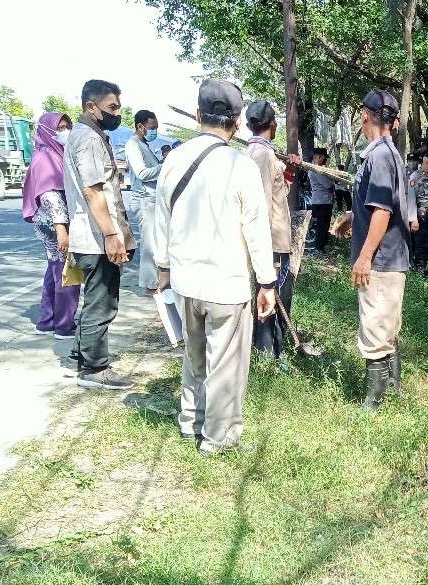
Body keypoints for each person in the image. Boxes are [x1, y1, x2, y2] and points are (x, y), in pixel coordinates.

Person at [154, 79, 278, 456]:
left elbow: (161, 219)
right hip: (227, 284)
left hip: (186, 281)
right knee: (224, 364)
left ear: (197, 114)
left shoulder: (173, 159)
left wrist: (163, 268)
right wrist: (267, 282)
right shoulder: (239, 166)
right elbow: (256, 229)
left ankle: (191, 420)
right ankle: (217, 437)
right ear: (238, 121)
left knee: (193, 358)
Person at [330, 88, 410, 410]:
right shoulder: (389, 154)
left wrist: (364, 256)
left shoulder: (377, 156)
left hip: (381, 259)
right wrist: (353, 215)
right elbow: (380, 204)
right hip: (391, 256)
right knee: (387, 324)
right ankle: (393, 388)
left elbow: (383, 212)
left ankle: (373, 404)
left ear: (365, 116)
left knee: (375, 325)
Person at [64, 79, 136, 389]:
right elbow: (94, 192)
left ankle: (84, 354)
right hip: (96, 237)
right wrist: (111, 234)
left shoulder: (87, 135)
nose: (117, 113)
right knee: (102, 302)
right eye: (112, 107)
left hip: (90, 234)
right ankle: (95, 370)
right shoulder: (88, 139)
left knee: (93, 299)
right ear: (90, 106)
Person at [244, 100, 303, 360]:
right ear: (273, 125)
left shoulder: (264, 153)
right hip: (271, 244)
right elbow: (261, 206)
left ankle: (274, 351)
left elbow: (279, 192)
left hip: (275, 241)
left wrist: (288, 170)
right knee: (273, 298)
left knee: (279, 297)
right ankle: (268, 355)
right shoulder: (261, 155)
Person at [23, 111, 80, 340]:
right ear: (46, 130)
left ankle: (46, 321)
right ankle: (64, 325)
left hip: (52, 222)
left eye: (67, 126)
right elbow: (50, 196)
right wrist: (61, 230)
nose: (64, 131)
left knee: (55, 270)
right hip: (55, 223)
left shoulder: (53, 154)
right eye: (60, 127)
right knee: (68, 272)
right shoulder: (46, 157)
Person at [125, 109, 164, 294]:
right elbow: (142, 173)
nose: (154, 131)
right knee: (149, 243)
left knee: (155, 241)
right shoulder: (133, 145)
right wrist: (164, 166)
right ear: (140, 126)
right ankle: (150, 284)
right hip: (143, 199)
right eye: (152, 128)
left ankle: (155, 280)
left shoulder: (143, 145)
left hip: (151, 199)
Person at [409, 152, 428, 271]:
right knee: (419, 241)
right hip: (419, 214)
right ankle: (419, 266)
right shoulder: (415, 176)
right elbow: (411, 198)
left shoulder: (427, 176)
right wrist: (413, 219)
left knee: (426, 240)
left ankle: (422, 265)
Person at [306, 147, 335, 254]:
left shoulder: (318, 169)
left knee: (323, 225)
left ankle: (321, 246)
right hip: (322, 201)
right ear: (317, 156)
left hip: (322, 201)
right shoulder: (316, 170)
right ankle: (319, 248)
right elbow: (328, 185)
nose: (324, 160)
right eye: (322, 157)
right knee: (322, 226)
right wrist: (333, 184)